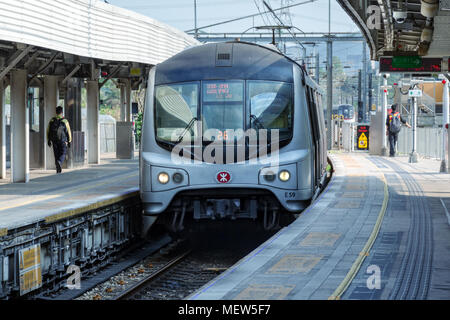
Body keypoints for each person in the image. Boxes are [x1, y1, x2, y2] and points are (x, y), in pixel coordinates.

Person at [47, 106, 72, 173]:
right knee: (63, 153)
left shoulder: (52, 120)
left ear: (56, 112)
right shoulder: (65, 121)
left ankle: (58, 169)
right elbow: (68, 132)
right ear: (62, 112)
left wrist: (48, 140)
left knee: (56, 154)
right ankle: (59, 162)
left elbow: (48, 131)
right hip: (62, 141)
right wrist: (69, 141)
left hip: (54, 140)